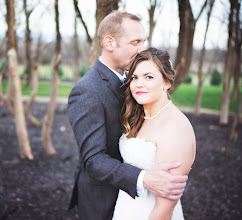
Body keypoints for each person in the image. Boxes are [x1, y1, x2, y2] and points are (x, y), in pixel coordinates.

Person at [68, 11, 188, 220]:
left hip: (139, 202)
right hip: (103, 199)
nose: (142, 49)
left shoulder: (135, 79)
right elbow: (94, 159)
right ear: (109, 43)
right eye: (135, 42)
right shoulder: (87, 91)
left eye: (143, 41)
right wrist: (144, 179)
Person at [112, 47, 196, 220]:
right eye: (134, 77)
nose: (139, 84)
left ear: (167, 82)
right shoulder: (138, 116)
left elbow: (164, 207)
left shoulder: (176, 128)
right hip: (125, 208)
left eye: (149, 77)